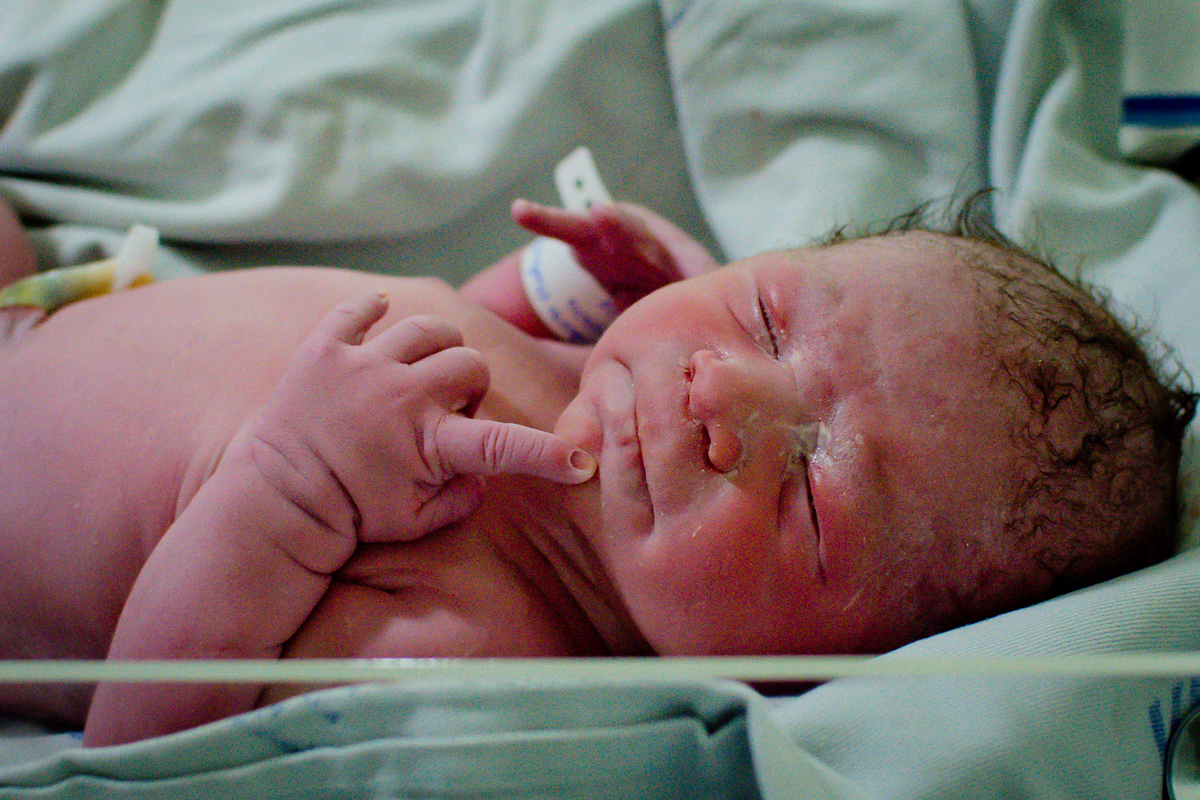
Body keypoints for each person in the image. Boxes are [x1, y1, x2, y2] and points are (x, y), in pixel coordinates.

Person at [0, 191, 1192, 747]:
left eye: (817, 490)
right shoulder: (587, 389)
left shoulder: (474, 658)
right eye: (768, 316)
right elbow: (429, 342)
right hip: (35, 313)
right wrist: (559, 299)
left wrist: (290, 487)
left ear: (802, 674)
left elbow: (140, 750)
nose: (722, 394)